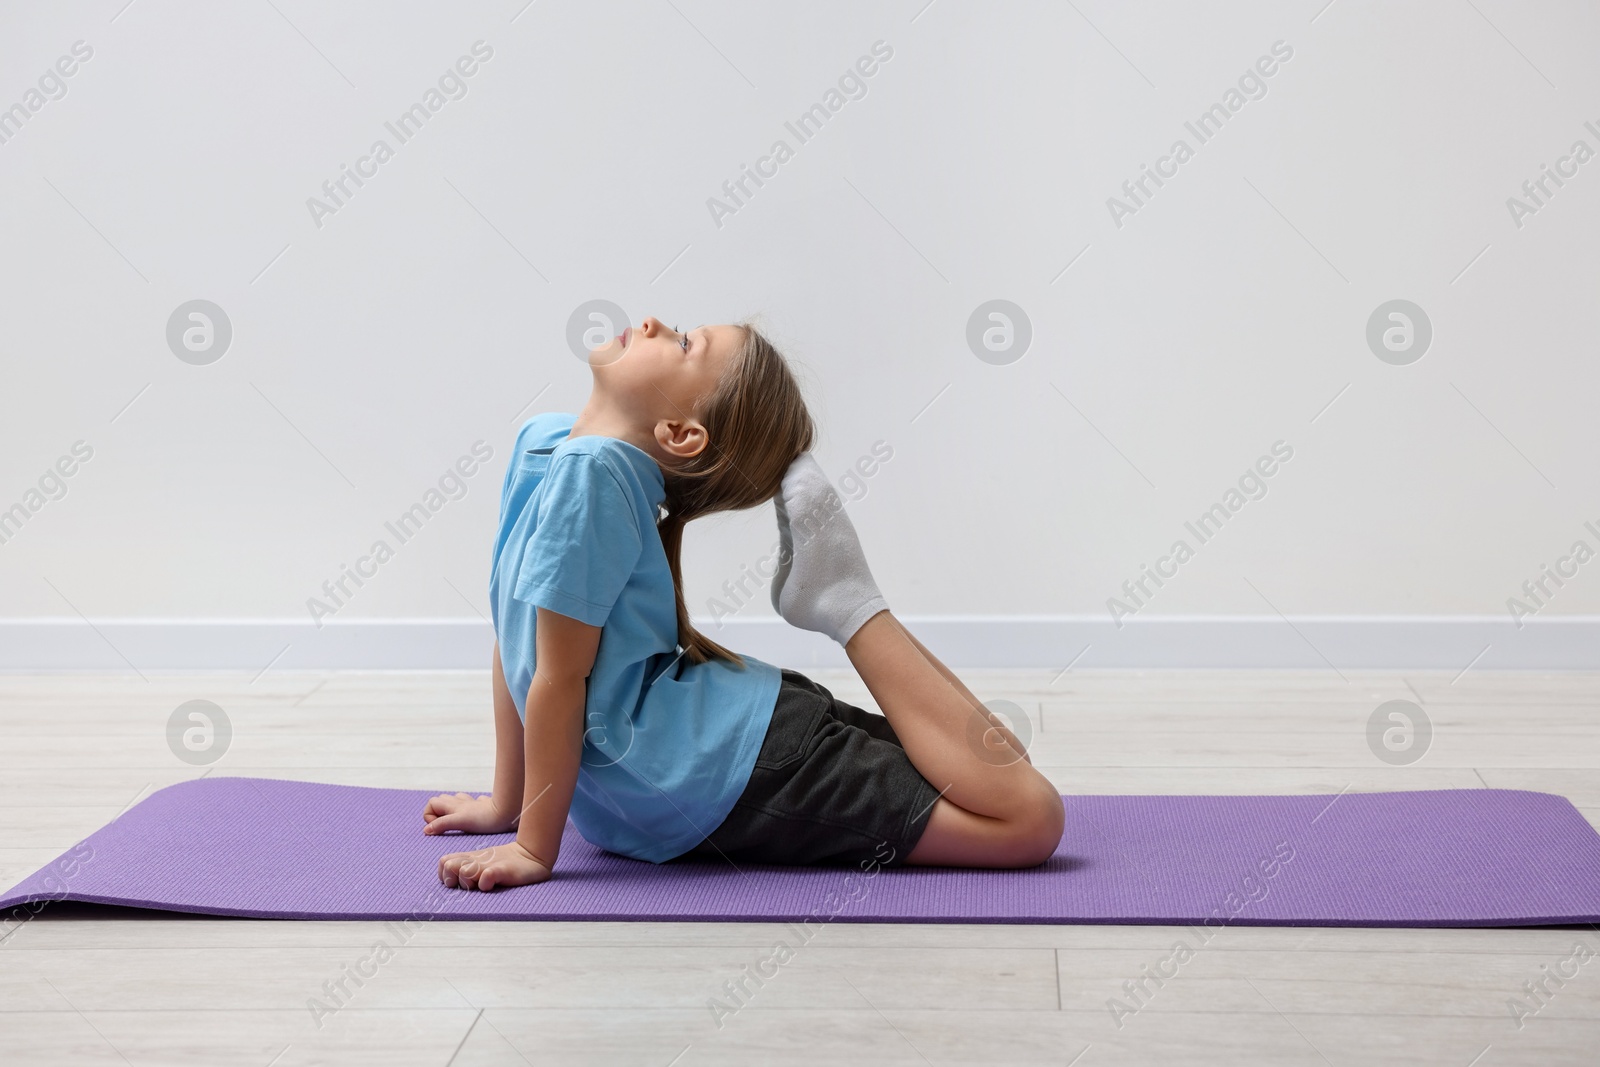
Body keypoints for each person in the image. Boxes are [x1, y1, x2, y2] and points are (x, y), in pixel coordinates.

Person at [423, 317, 1064, 890]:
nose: (651, 322)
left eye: (682, 343)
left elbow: (558, 679)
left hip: (731, 767)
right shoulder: (546, 444)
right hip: (736, 744)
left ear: (680, 432)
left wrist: (534, 846)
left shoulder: (590, 471)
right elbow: (519, 649)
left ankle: (846, 602)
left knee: (1024, 818)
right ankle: (845, 599)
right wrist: (506, 804)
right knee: (1001, 778)